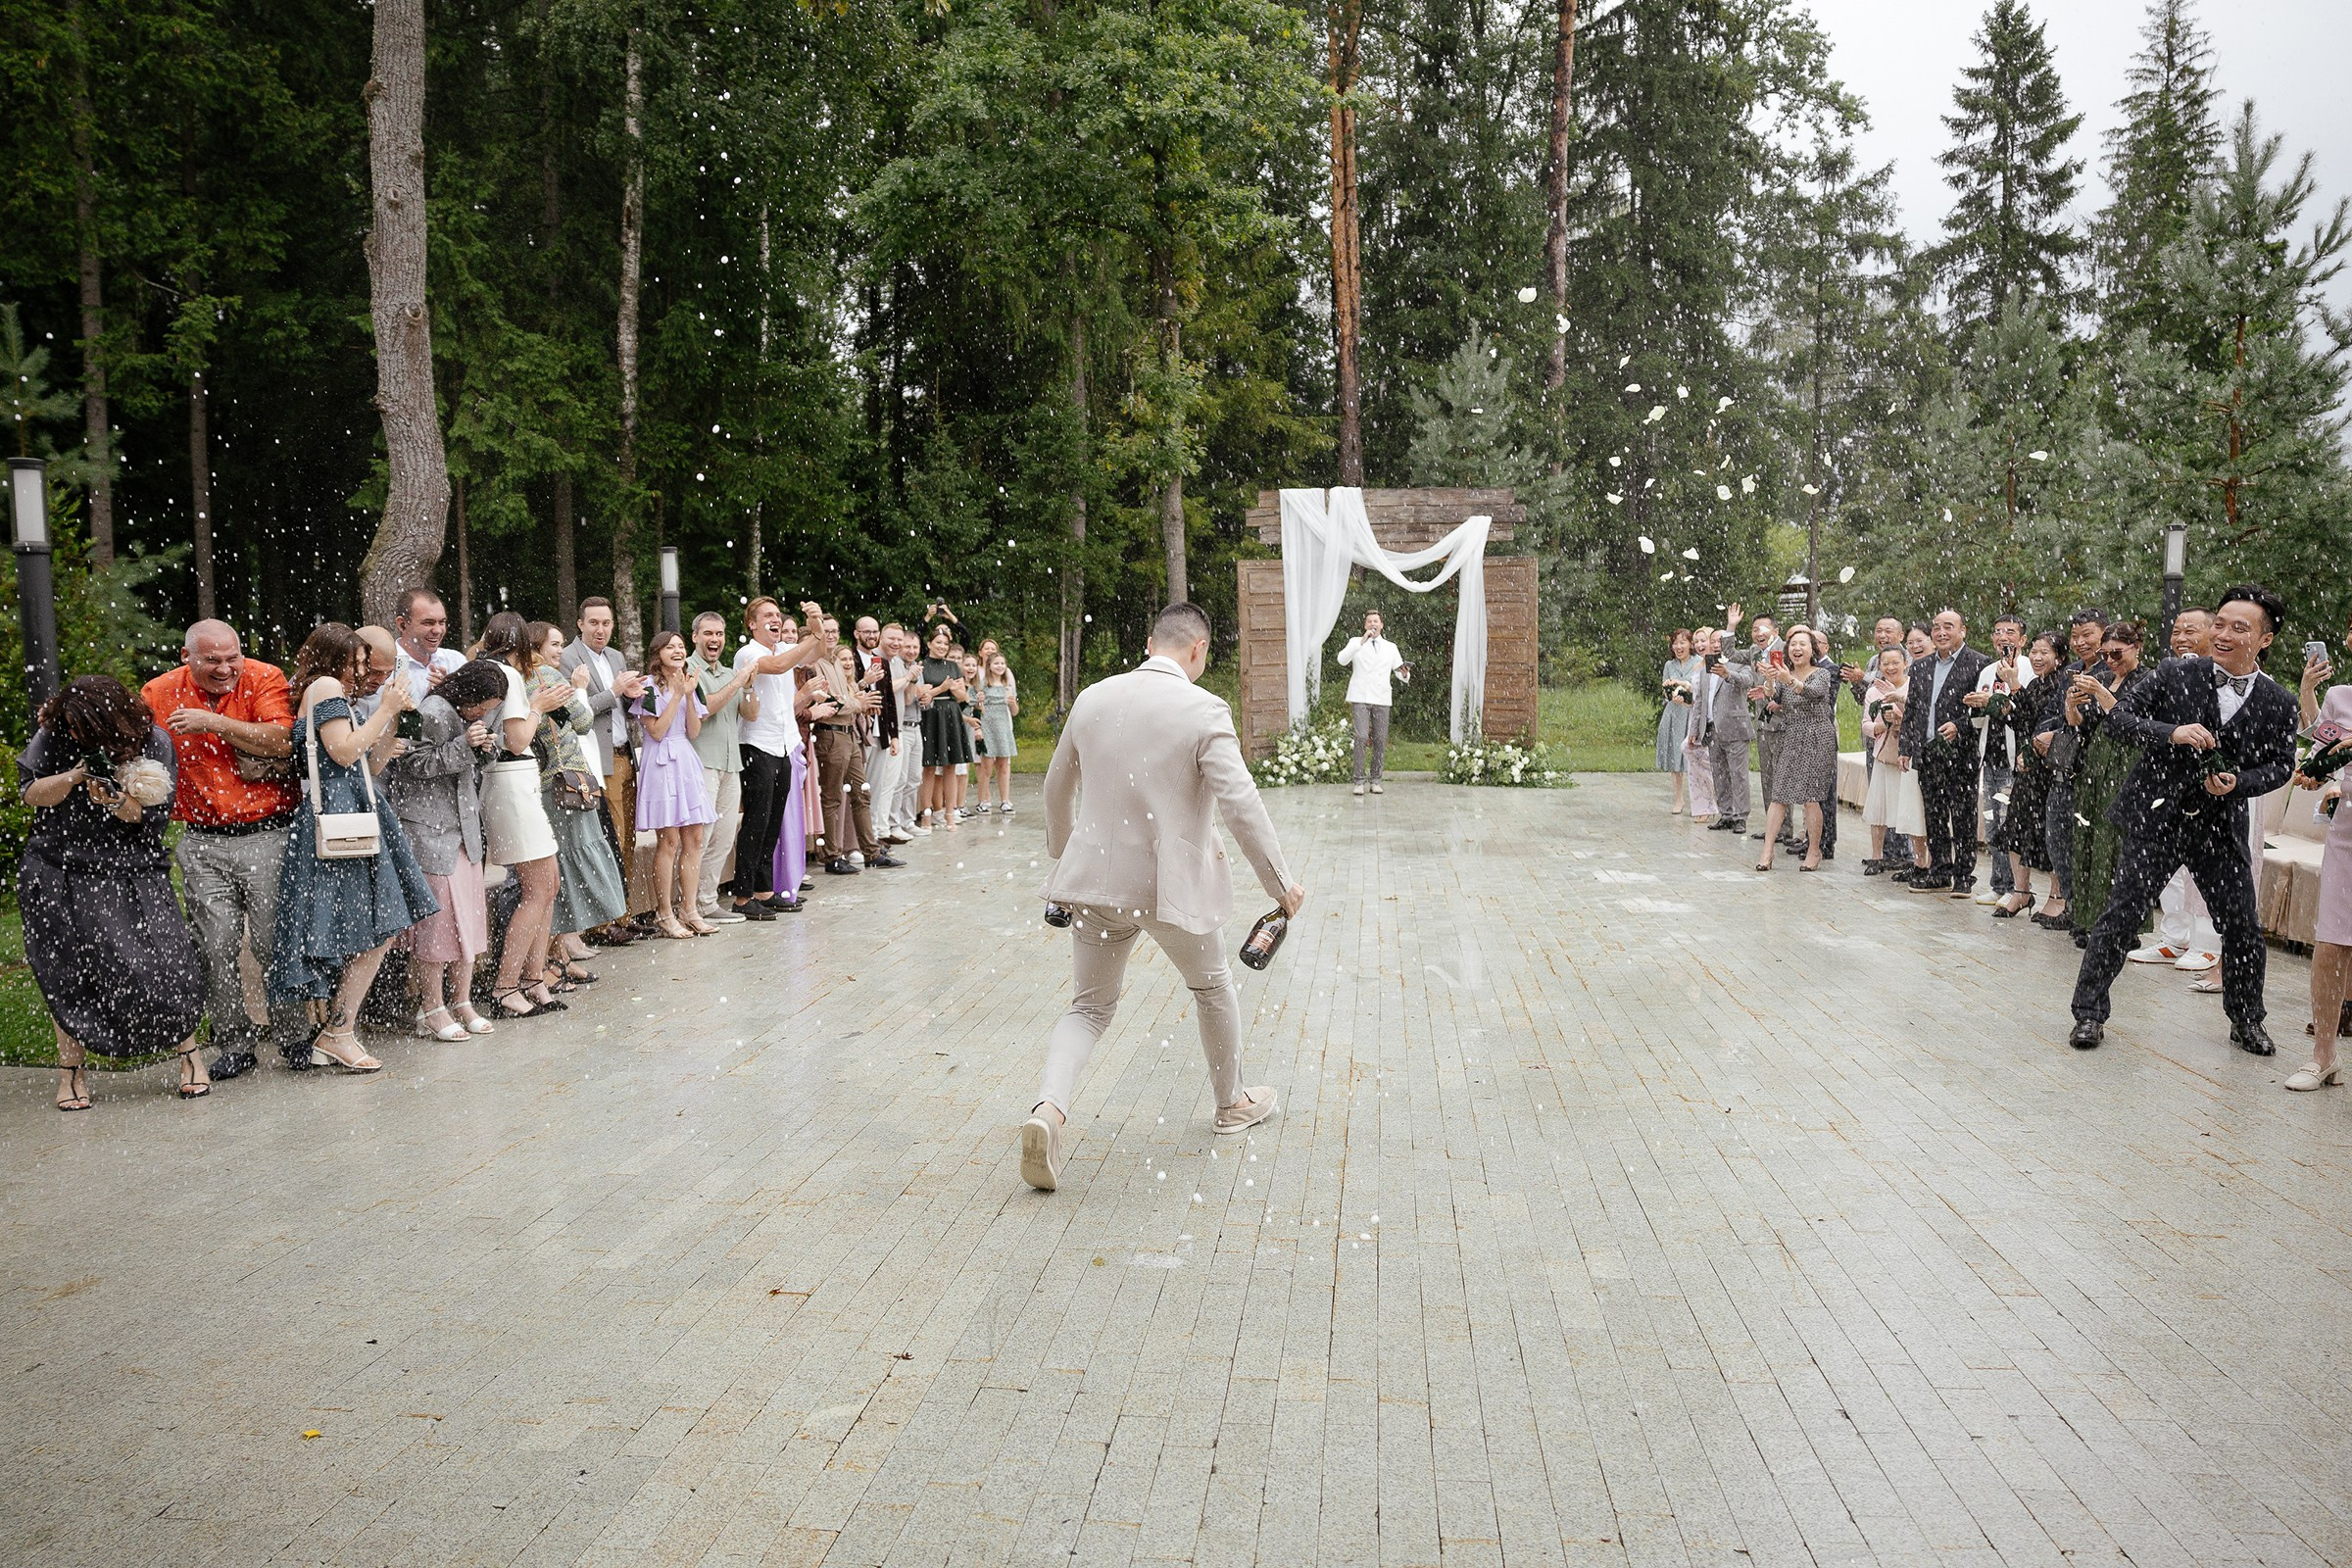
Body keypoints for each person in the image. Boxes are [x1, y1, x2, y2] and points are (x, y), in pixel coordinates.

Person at [1020, 602, 1306, 1192]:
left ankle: (1047, 1112)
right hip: (1170, 888)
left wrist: (1062, 854)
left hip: (1095, 884)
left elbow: (1055, 787)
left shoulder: (1093, 697)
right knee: (1210, 985)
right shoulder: (1203, 710)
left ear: (1151, 642)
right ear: (1198, 650)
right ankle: (1230, 1103)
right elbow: (1241, 804)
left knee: (1089, 1008)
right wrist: (1280, 884)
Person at [2068, 587, 2299, 1054]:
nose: (2224, 634)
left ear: (2265, 639)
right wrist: (2171, 732)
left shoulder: (2280, 701)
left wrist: (2238, 782)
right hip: (2157, 817)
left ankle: (2247, 1020)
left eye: (2240, 628)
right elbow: (2120, 720)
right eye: (2220, 623)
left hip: (2219, 825)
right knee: (2122, 914)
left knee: (2242, 926)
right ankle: (2089, 1014)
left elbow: (2279, 766)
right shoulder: (2176, 673)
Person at [19, 676, 207, 1106]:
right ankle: (71, 1072)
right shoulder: (56, 732)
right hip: (58, 868)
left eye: (85, 728)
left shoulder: (154, 741)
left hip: (132, 870)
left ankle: (189, 1054)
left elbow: (147, 820)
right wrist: (74, 776)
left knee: (166, 961)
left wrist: (113, 798)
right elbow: (31, 793)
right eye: (72, 727)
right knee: (65, 971)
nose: (77, 734)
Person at [142, 619, 308, 1079]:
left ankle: (295, 1036)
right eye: (211, 659)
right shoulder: (157, 693)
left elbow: (281, 739)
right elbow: (125, 741)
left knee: (275, 941)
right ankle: (235, 1043)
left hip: (267, 832)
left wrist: (211, 722)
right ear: (186, 656)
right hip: (199, 839)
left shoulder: (263, 677)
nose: (224, 668)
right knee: (214, 947)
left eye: (231, 656)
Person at [269, 622, 437, 1072]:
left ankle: (336, 1030)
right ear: (335, 657)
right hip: (341, 816)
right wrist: (383, 710)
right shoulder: (325, 686)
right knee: (374, 927)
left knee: (373, 927)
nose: (363, 674)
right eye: (359, 663)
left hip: (357, 808)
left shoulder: (334, 692)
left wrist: (393, 714)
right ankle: (338, 1032)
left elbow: (371, 760)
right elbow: (342, 753)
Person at [379, 657, 506, 1039]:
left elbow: (468, 763)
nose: (485, 712)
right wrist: (463, 746)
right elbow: (409, 765)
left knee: (468, 920)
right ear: (468, 693)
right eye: (483, 706)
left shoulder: (466, 715)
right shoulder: (430, 709)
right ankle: (431, 1007)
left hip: (464, 829)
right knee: (436, 928)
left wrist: (484, 747)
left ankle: (462, 1002)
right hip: (430, 830)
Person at [474, 612, 569, 1016]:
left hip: (512, 784)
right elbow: (516, 740)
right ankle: (506, 986)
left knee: (548, 883)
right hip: (511, 783)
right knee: (537, 887)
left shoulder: (486, 669)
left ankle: (533, 979)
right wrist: (538, 706)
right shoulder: (508, 676)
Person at [529, 622, 626, 982]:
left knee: (558, 873)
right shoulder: (547, 679)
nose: (560, 651)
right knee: (561, 874)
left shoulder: (526, 678)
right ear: (536, 647)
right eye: (554, 645)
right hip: (558, 786)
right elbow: (584, 721)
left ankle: (557, 958)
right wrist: (580, 690)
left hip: (549, 784)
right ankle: (543, 964)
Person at [2130, 609, 2224, 974]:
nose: (2181, 637)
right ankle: (2174, 937)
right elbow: (2132, 717)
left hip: (2213, 787)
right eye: (2176, 630)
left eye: (2191, 630)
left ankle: (2207, 944)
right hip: (2167, 785)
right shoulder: (2167, 673)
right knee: (2168, 870)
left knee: (2205, 869)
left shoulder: (2229, 676)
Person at [731, 597, 829, 919]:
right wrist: (810, 636)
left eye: (777, 615)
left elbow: (817, 652)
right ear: (752, 624)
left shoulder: (781, 651)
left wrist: (816, 625)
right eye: (767, 616)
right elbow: (779, 666)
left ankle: (764, 890)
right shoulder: (750, 653)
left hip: (784, 745)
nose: (774, 619)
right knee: (756, 823)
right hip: (756, 745)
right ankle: (742, 897)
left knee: (772, 822)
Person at [559, 598, 650, 936]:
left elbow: (620, 704)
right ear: (580, 624)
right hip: (598, 759)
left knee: (629, 838)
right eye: (594, 623)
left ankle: (623, 914)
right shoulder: (568, 658)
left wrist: (632, 695)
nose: (601, 630)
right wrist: (613, 691)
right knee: (611, 837)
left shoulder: (616, 657)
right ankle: (603, 921)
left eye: (607, 623)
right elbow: (573, 709)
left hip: (626, 753)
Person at [2288, 611, 2352, 1090]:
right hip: (2348, 831)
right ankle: (2323, 1055)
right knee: (2331, 943)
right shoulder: (2341, 697)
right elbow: (2319, 750)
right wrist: (2308, 691)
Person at [2066, 621, 2154, 947]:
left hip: (2127, 765)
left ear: (2137, 647)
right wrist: (2071, 705)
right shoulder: (2101, 677)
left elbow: (2129, 720)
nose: (2110, 660)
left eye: (2116, 653)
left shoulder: (2148, 679)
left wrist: (2101, 692)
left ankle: (2121, 926)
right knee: (2088, 839)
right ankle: (2087, 919)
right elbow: (2080, 725)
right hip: (2096, 763)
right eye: (2104, 654)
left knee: (2117, 846)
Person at [1897, 609, 1992, 896]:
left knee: (1962, 814)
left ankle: (1964, 874)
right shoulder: (1921, 666)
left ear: (1963, 630)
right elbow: (1913, 708)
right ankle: (1940, 870)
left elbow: (1984, 709)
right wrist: (1906, 746)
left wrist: (1960, 726)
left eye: (1948, 627)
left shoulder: (1979, 663)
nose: (1941, 633)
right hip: (1927, 752)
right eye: (1936, 627)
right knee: (1934, 814)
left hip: (1960, 752)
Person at [632, 629, 718, 937]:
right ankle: (664, 913)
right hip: (660, 761)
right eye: (671, 647)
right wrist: (678, 695)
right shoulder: (648, 686)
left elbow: (693, 731)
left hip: (685, 758)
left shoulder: (690, 685)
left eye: (681, 646)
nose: (678, 651)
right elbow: (656, 731)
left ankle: (689, 909)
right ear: (658, 653)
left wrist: (690, 695)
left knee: (694, 838)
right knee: (669, 840)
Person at [2031, 610, 2109, 931]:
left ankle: (2093, 917)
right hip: (2063, 769)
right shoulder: (2072, 671)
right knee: (2058, 841)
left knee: (2090, 846)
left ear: (2104, 634)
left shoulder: (2110, 673)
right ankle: (2073, 905)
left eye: (2087, 634)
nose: (2080, 642)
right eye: (2075, 636)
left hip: (2094, 773)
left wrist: (2061, 731)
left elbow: (2100, 722)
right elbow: (2052, 711)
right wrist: (2044, 732)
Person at [688, 611, 759, 924]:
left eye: (719, 634)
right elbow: (706, 708)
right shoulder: (689, 669)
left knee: (725, 837)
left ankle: (706, 902)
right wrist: (738, 681)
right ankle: (687, 905)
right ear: (695, 637)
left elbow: (751, 714)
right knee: (700, 838)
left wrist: (748, 686)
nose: (714, 639)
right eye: (708, 634)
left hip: (731, 764)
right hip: (702, 762)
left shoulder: (732, 673)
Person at [1988, 633, 2066, 918]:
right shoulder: (2035, 683)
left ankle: (2057, 896)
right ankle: (2021, 891)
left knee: (2051, 833)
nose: (2036, 657)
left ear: (2059, 658)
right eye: (2033, 651)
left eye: (2044, 652)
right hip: (2026, 767)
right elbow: (2022, 721)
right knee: (2016, 828)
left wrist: (2013, 686)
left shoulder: (2062, 683)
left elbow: (2042, 720)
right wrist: (2003, 707)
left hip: (2049, 769)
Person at [1752, 626, 1837, 871]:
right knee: (1779, 794)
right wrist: (1769, 678)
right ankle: (1767, 852)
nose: (1797, 648)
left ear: (1813, 650)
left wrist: (1790, 680)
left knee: (1812, 798)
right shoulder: (1783, 674)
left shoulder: (1822, 674)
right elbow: (1772, 695)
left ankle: (1814, 850)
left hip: (1819, 736)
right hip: (1792, 735)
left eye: (1803, 644)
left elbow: (1814, 693)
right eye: (1793, 645)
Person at [1963, 614, 2028, 905]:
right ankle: (1998, 883)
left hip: (2017, 757)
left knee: (2009, 823)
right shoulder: (1988, 671)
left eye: (2010, 632)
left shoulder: (2028, 668)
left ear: (2022, 639)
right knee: (1991, 822)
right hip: (1991, 756)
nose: (2004, 637)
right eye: (1998, 631)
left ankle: (2017, 887)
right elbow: (1979, 722)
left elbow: (2025, 710)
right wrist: (1976, 707)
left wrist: (1999, 705)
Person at [1860, 649, 1924, 874]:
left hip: (1907, 755)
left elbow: (1920, 716)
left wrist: (1899, 707)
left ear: (1905, 663)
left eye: (1895, 662)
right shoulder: (1874, 690)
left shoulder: (1914, 685)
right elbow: (1866, 724)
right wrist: (1880, 726)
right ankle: (1877, 856)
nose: (1890, 667)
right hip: (1884, 753)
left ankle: (1917, 860)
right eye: (1885, 663)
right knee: (1879, 807)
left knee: (1910, 808)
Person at [1337, 611, 1408, 797]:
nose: (1372, 624)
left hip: (1382, 698)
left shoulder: (1391, 647)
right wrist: (1361, 642)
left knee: (1380, 739)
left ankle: (1376, 779)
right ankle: (1358, 780)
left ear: (1382, 625)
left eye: (1376, 621)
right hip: (1360, 696)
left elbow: (1400, 673)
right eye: (1369, 621)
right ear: (1365, 625)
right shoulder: (1355, 642)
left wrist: (1405, 673)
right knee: (1361, 737)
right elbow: (1342, 660)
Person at [852, 616, 905, 839]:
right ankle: (855, 838)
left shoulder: (881, 661)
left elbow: (889, 699)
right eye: (867, 632)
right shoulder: (849, 658)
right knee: (857, 787)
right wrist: (864, 681)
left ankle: (872, 836)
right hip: (858, 731)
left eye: (874, 632)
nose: (871, 636)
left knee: (876, 785)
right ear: (857, 634)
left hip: (880, 731)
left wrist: (893, 735)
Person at [917, 623, 974, 829]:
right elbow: (922, 695)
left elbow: (963, 696)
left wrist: (953, 691)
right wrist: (943, 688)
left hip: (951, 713)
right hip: (931, 715)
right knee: (929, 768)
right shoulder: (922, 665)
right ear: (929, 643)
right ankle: (927, 814)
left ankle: (950, 813)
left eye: (945, 643)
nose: (942, 646)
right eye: (938, 642)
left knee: (950, 766)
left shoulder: (952, 666)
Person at [1698, 626, 1753, 835]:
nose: (1715, 644)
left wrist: (1728, 674)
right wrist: (1697, 729)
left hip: (1735, 728)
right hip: (1712, 729)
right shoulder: (1707, 666)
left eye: (1720, 640)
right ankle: (1726, 814)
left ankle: (1741, 816)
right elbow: (1702, 700)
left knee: (1738, 774)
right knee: (1719, 773)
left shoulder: (1739, 662)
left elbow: (1748, 680)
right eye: (1713, 640)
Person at [886, 624, 926, 839]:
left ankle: (908, 820)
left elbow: (914, 698)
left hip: (917, 726)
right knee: (899, 779)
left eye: (915, 647)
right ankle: (893, 823)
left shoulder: (915, 668)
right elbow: (905, 696)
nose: (911, 650)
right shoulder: (898, 666)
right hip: (901, 726)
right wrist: (911, 679)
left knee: (914, 778)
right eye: (907, 646)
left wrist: (926, 693)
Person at [1655, 628, 1701, 813]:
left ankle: (1699, 800)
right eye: (1675, 643)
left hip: (1691, 713)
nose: (1678, 646)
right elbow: (1666, 689)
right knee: (1675, 757)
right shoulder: (1669, 665)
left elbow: (1698, 689)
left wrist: (1684, 691)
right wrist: (1670, 691)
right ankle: (1678, 799)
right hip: (1673, 713)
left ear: (1691, 644)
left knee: (1695, 758)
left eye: (1683, 642)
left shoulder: (1699, 662)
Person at [392, 588, 466, 699]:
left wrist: (451, 695)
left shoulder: (455, 661)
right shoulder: (385, 666)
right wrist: (430, 699)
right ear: (402, 625)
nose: (438, 630)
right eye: (428, 623)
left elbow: (475, 711)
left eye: (442, 622)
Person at [975, 650, 1020, 813]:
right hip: (987, 726)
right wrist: (979, 703)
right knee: (986, 765)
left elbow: (1015, 712)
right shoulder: (982, 684)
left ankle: (1005, 800)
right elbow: (977, 709)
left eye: (1002, 663)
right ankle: (983, 800)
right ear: (989, 666)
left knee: (1003, 765)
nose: (1000, 666)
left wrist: (1012, 703)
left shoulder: (1007, 686)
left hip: (1003, 727)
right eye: (996, 663)